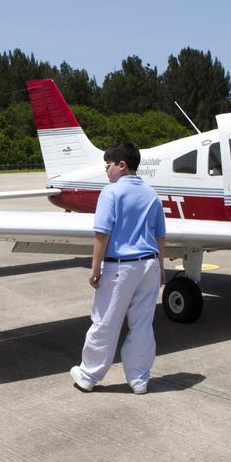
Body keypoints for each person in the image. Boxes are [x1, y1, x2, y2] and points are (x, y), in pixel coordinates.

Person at [70, 141, 166, 395]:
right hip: (150, 265)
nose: (106, 171)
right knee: (143, 325)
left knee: (105, 323)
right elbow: (160, 235)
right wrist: (162, 266)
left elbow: (102, 232)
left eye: (108, 165)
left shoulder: (110, 193)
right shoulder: (151, 193)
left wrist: (95, 268)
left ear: (122, 165)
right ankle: (139, 379)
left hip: (121, 267)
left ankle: (88, 376)